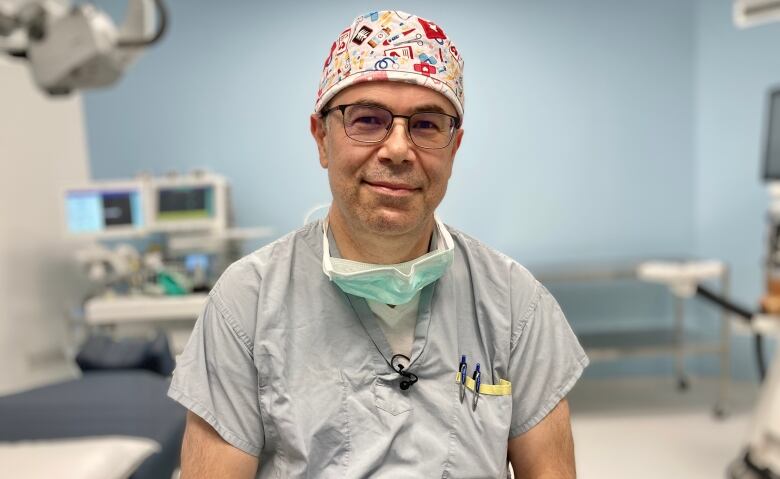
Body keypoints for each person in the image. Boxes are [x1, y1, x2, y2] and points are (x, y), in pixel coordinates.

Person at [168, 10, 589, 479]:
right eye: (367, 120)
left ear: (454, 147)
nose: (397, 149)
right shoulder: (245, 304)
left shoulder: (514, 303)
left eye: (427, 125)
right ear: (321, 139)